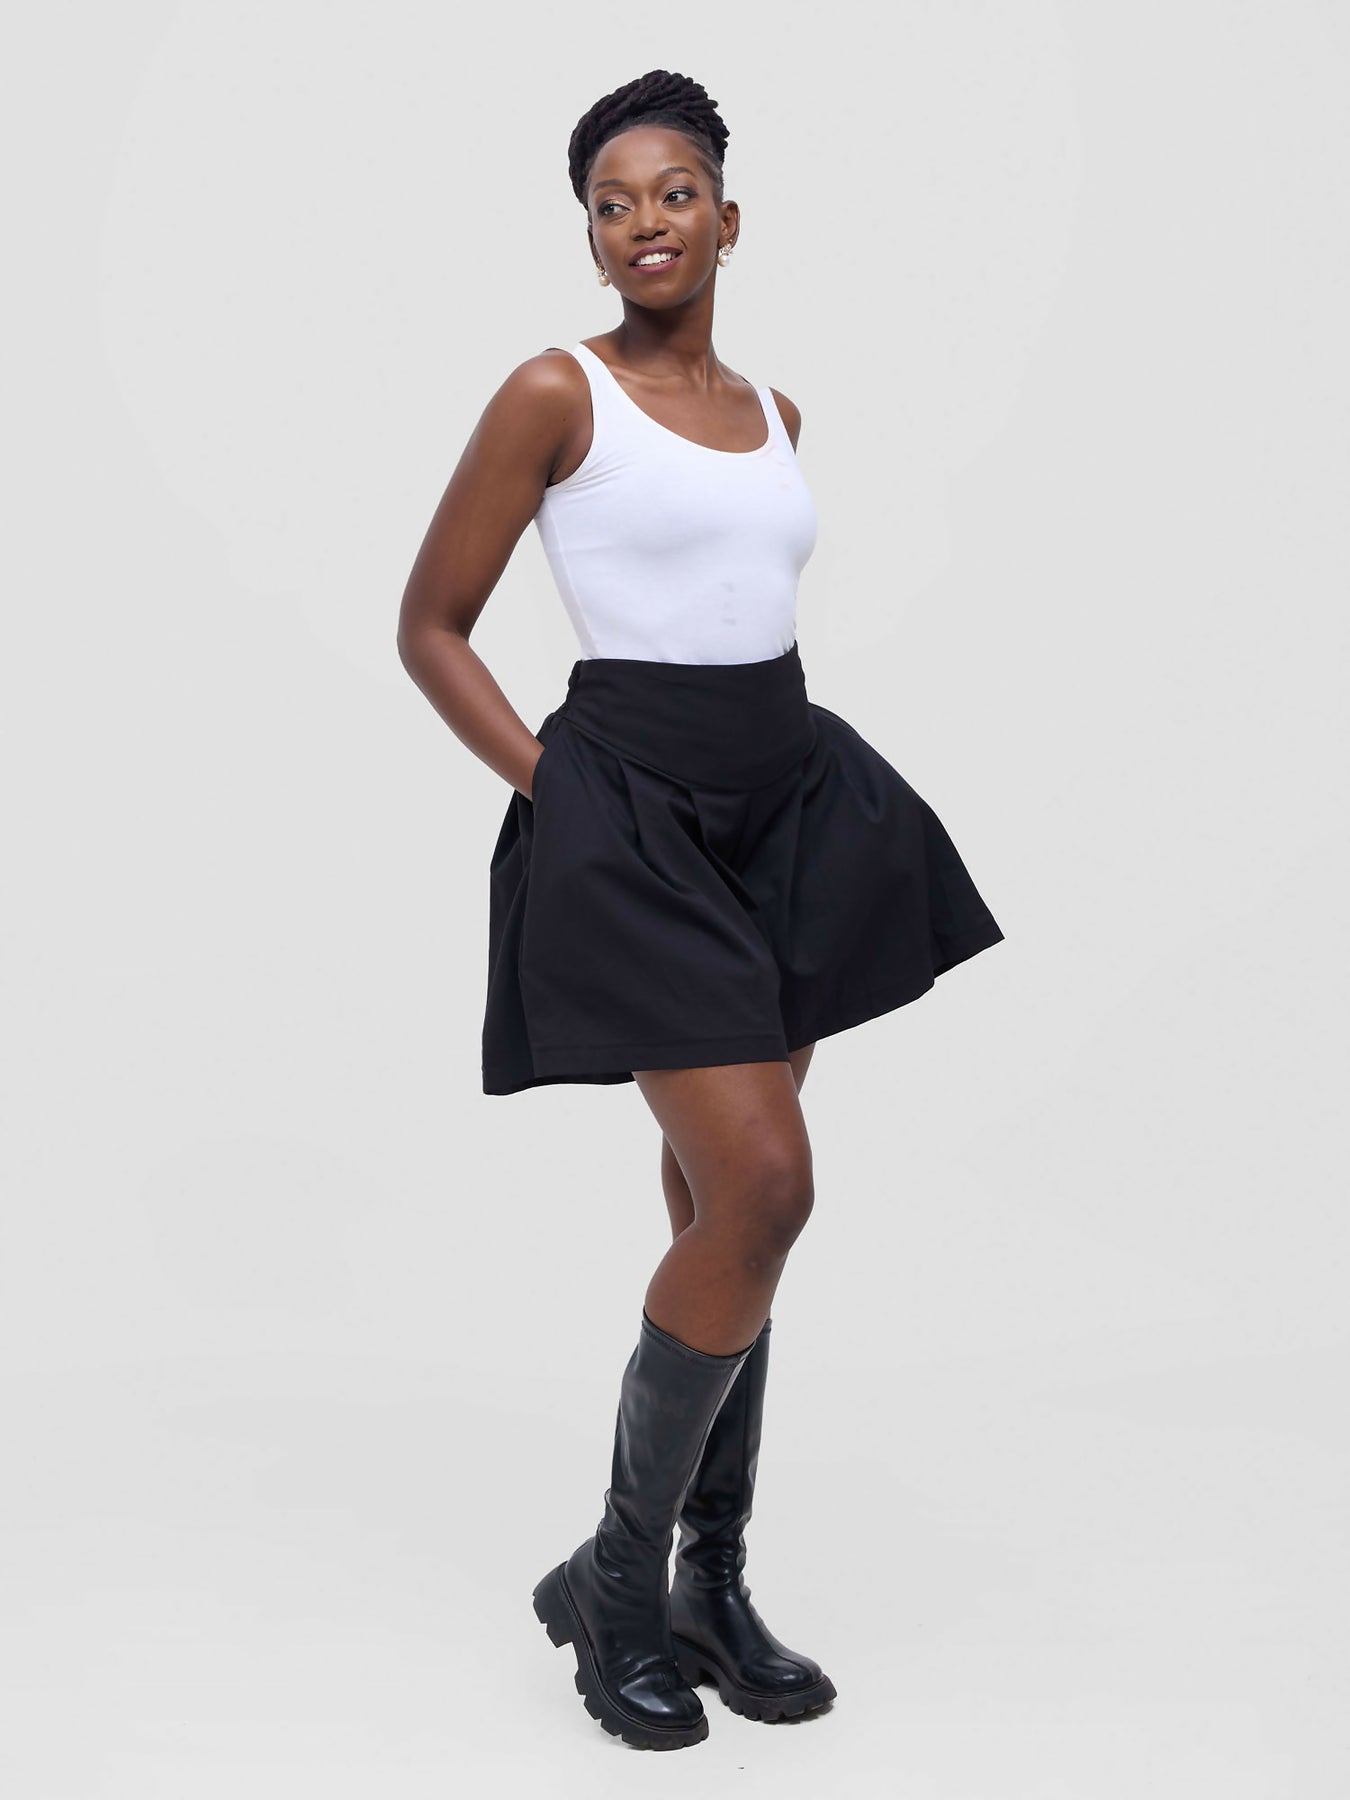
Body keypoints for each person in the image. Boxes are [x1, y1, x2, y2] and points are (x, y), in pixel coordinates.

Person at [397, 69, 1005, 1752]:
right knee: (766, 1181)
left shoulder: (776, 412)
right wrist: (558, 787)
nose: (642, 223)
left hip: (784, 804)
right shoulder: (555, 390)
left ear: (728, 218)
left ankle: (706, 1580)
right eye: (610, 203)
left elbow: (742, 600)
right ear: (588, 235)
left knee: (723, 1212)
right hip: (636, 817)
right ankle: (615, 1583)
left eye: (671, 194)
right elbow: (431, 623)